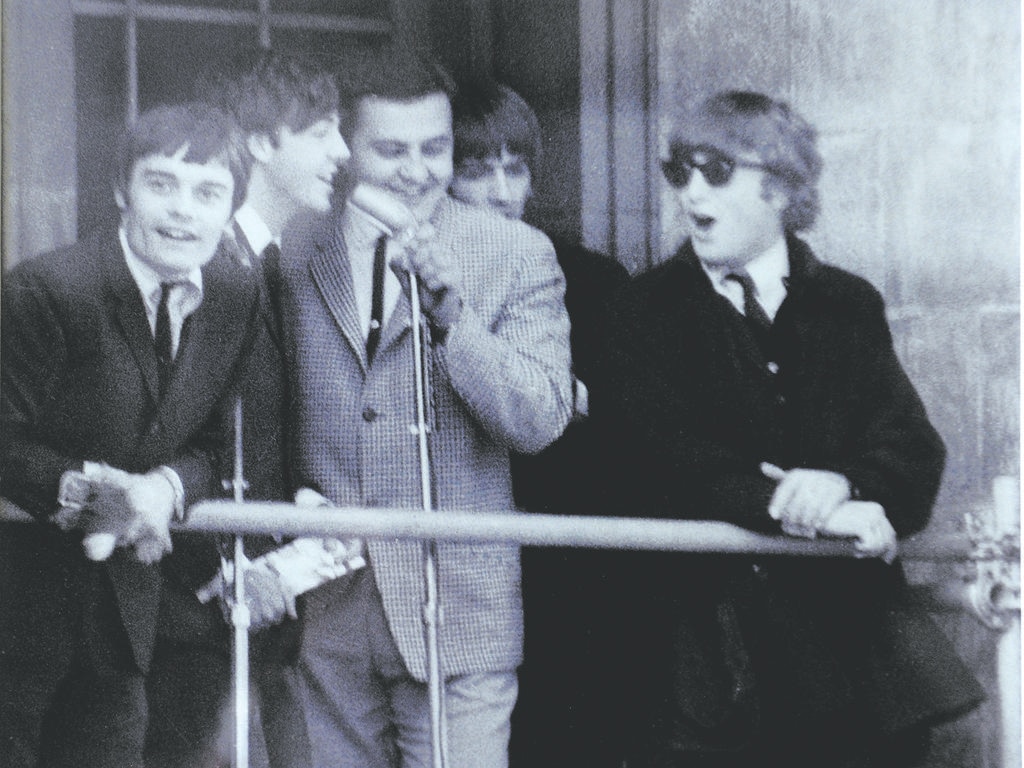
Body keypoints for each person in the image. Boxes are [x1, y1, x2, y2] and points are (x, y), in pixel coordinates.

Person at [595, 90, 984, 768]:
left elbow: (912, 448)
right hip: (714, 672)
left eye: (716, 171)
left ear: (780, 185)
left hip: (854, 666)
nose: (690, 191)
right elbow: (658, 454)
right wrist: (800, 509)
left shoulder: (847, 303)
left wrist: (846, 484)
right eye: (678, 170)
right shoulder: (642, 312)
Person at [271, 48, 572, 768]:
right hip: (324, 613)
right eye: (391, 150)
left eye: (435, 149)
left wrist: (452, 324)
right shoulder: (294, 244)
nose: (417, 170)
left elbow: (540, 416)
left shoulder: (516, 253)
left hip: (457, 609)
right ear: (345, 147)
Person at [0, 101, 260, 768]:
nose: (183, 211)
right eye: (161, 184)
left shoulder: (234, 295)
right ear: (122, 190)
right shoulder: (48, 289)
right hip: (16, 620)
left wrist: (164, 489)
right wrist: (109, 504)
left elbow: (212, 440)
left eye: (208, 193)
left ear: (233, 208)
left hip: (122, 627)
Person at [449, 80, 630, 768]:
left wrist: (563, 399)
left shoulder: (594, 281)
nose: (501, 191)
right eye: (476, 170)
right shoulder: (408, 276)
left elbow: (625, 416)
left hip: (563, 565)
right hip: (462, 569)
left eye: (514, 168)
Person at [184, 48, 351, 768]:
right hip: (206, 626)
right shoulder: (210, 271)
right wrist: (219, 571)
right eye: (320, 132)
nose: (341, 153)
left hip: (258, 619)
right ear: (259, 143)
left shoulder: (268, 263)